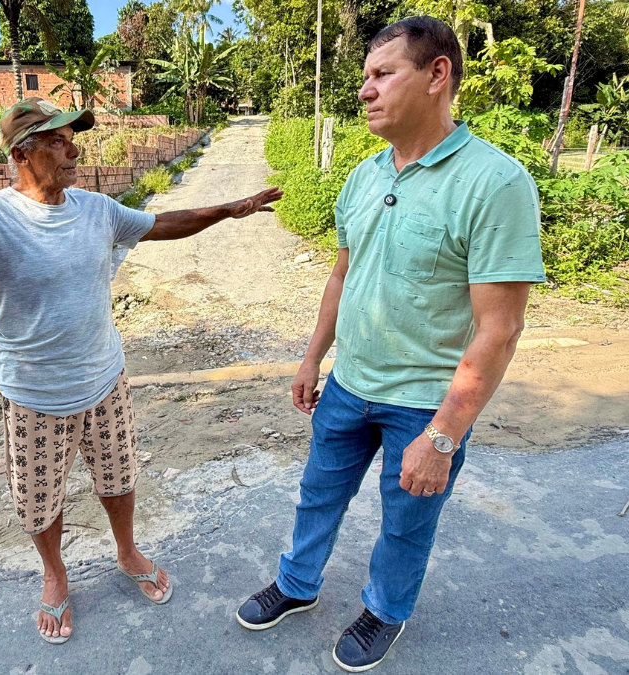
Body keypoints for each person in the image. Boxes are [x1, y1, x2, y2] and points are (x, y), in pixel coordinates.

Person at [0, 98, 281, 645]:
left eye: (72, 140)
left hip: (105, 380)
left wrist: (227, 210)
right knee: (38, 499)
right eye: (58, 141)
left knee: (119, 477)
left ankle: (127, 551)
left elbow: (163, 223)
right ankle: (54, 573)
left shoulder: (97, 209)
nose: (74, 151)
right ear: (21, 154)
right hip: (35, 395)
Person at [234, 17, 546, 672]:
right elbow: (343, 275)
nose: (365, 90)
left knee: (407, 524)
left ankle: (385, 610)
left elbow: (500, 328)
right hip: (349, 385)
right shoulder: (364, 176)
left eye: (383, 74)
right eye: (364, 77)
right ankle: (297, 583)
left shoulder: (494, 183)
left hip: (425, 405)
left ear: (437, 75)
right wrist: (313, 357)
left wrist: (443, 437)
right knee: (318, 494)